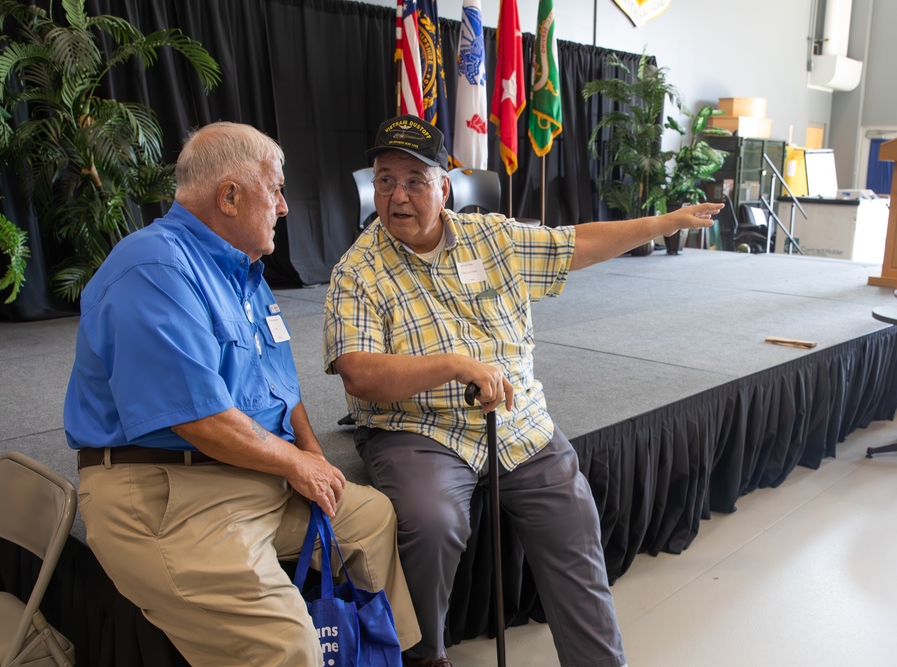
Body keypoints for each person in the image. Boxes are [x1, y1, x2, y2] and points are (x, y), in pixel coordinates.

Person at [322, 115, 723, 667]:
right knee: (433, 519)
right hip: (417, 428)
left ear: (445, 186)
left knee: (574, 524)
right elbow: (359, 373)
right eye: (385, 179)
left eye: (415, 180)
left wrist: (664, 223)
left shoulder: (491, 237)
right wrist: (453, 366)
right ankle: (423, 656)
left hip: (518, 422)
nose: (397, 196)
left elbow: (573, 245)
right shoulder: (357, 269)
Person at [64, 121, 420, 667]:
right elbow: (201, 420)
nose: (282, 206)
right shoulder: (155, 267)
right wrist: (295, 466)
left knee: (368, 517)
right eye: (274, 188)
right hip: (170, 493)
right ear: (229, 196)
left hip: (249, 474)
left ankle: (384, 655)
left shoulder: (243, 271)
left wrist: (314, 457)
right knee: (284, 644)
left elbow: (282, 386)